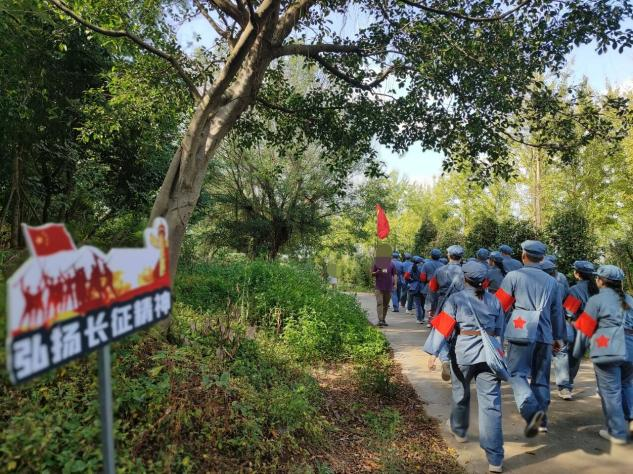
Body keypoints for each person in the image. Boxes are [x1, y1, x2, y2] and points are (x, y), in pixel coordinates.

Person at [424, 261, 506, 473]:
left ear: (464, 278)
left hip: (463, 353)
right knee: (491, 405)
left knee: (460, 393)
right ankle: (495, 459)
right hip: (489, 356)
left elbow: (444, 327)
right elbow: (500, 331)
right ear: (484, 280)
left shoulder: (456, 299)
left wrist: (434, 353)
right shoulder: (495, 301)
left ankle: (459, 431)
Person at [495, 240, 564, 436]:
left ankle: (531, 411)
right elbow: (557, 312)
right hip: (545, 334)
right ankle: (542, 421)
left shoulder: (513, 276)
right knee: (541, 379)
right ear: (542, 259)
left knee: (516, 374)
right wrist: (558, 337)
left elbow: (500, 305)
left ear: (523, 256)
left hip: (521, 331)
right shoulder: (553, 282)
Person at [573, 265, 633, 444]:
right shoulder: (631, 299)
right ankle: (631, 419)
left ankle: (617, 432)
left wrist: (577, 353)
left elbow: (584, 330)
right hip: (630, 347)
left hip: (608, 347)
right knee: (627, 384)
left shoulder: (596, 300)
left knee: (610, 390)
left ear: (600, 281)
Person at [555, 260, 598, 400]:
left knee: (572, 357)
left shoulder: (574, 290)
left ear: (577, 274)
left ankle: (566, 388)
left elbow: (569, 312)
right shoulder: (599, 289)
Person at [427, 245, 465, 381]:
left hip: (444, 304)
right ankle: (456, 364)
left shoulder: (439, 271)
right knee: (458, 334)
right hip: (463, 306)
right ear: (461, 257)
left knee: (442, 332)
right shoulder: (466, 271)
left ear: (448, 256)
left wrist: (432, 307)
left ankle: (444, 360)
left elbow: (432, 290)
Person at [371, 255, 396, 327]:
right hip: (379, 288)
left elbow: (394, 274)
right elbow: (372, 273)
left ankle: (383, 319)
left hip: (388, 288)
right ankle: (380, 320)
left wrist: (395, 284)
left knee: (385, 305)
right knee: (379, 303)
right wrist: (377, 271)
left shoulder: (392, 264)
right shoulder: (377, 263)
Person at [420, 249, 444, 317]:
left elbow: (422, 278)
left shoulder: (426, 264)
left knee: (429, 302)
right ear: (439, 256)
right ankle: (436, 317)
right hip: (440, 286)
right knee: (438, 303)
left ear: (431, 256)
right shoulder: (443, 265)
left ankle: (430, 317)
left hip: (429, 286)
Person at [408, 256, 426, 323]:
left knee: (417, 303)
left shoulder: (411, 267)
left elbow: (407, 276)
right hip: (423, 287)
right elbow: (424, 278)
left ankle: (419, 319)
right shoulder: (424, 267)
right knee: (422, 303)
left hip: (415, 287)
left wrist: (411, 281)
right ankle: (422, 317)